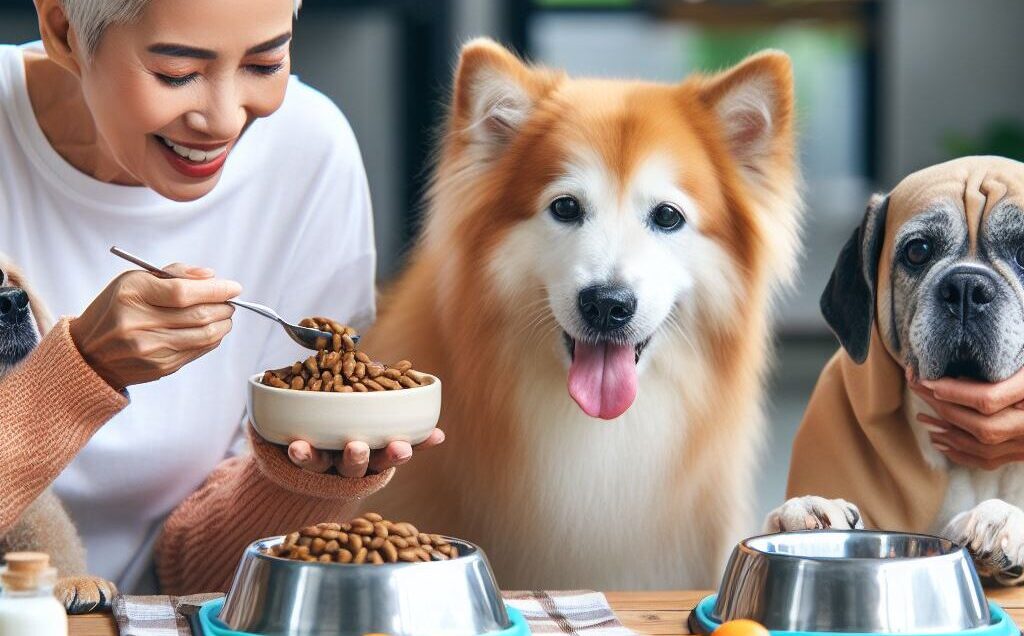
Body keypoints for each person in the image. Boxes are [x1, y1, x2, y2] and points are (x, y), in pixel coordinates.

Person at [0, 0, 442, 593]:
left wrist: (295, 480)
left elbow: (195, 576)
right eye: (177, 74)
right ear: (62, 29)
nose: (224, 119)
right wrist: (82, 368)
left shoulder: (308, 156)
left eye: (265, 63)